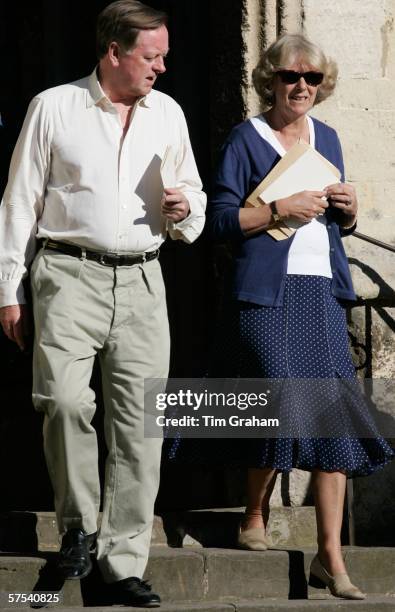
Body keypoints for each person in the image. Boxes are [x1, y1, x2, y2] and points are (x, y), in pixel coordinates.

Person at [0, 0, 206, 607]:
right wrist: (7, 289)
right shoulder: (54, 106)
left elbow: (190, 189)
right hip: (68, 272)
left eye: (163, 56)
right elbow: (19, 203)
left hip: (144, 278)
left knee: (140, 424)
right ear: (113, 53)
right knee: (63, 401)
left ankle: (123, 562)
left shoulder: (167, 114)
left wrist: (184, 210)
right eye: (151, 56)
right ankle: (79, 529)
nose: (162, 68)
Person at [206, 34, 394, 600]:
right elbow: (217, 224)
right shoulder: (246, 138)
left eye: (313, 80)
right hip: (266, 292)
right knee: (276, 395)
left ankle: (330, 558)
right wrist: (276, 209)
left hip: (321, 290)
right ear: (271, 79)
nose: (303, 88)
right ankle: (254, 513)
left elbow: (338, 225)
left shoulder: (328, 138)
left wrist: (349, 210)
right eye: (292, 77)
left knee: (332, 410)